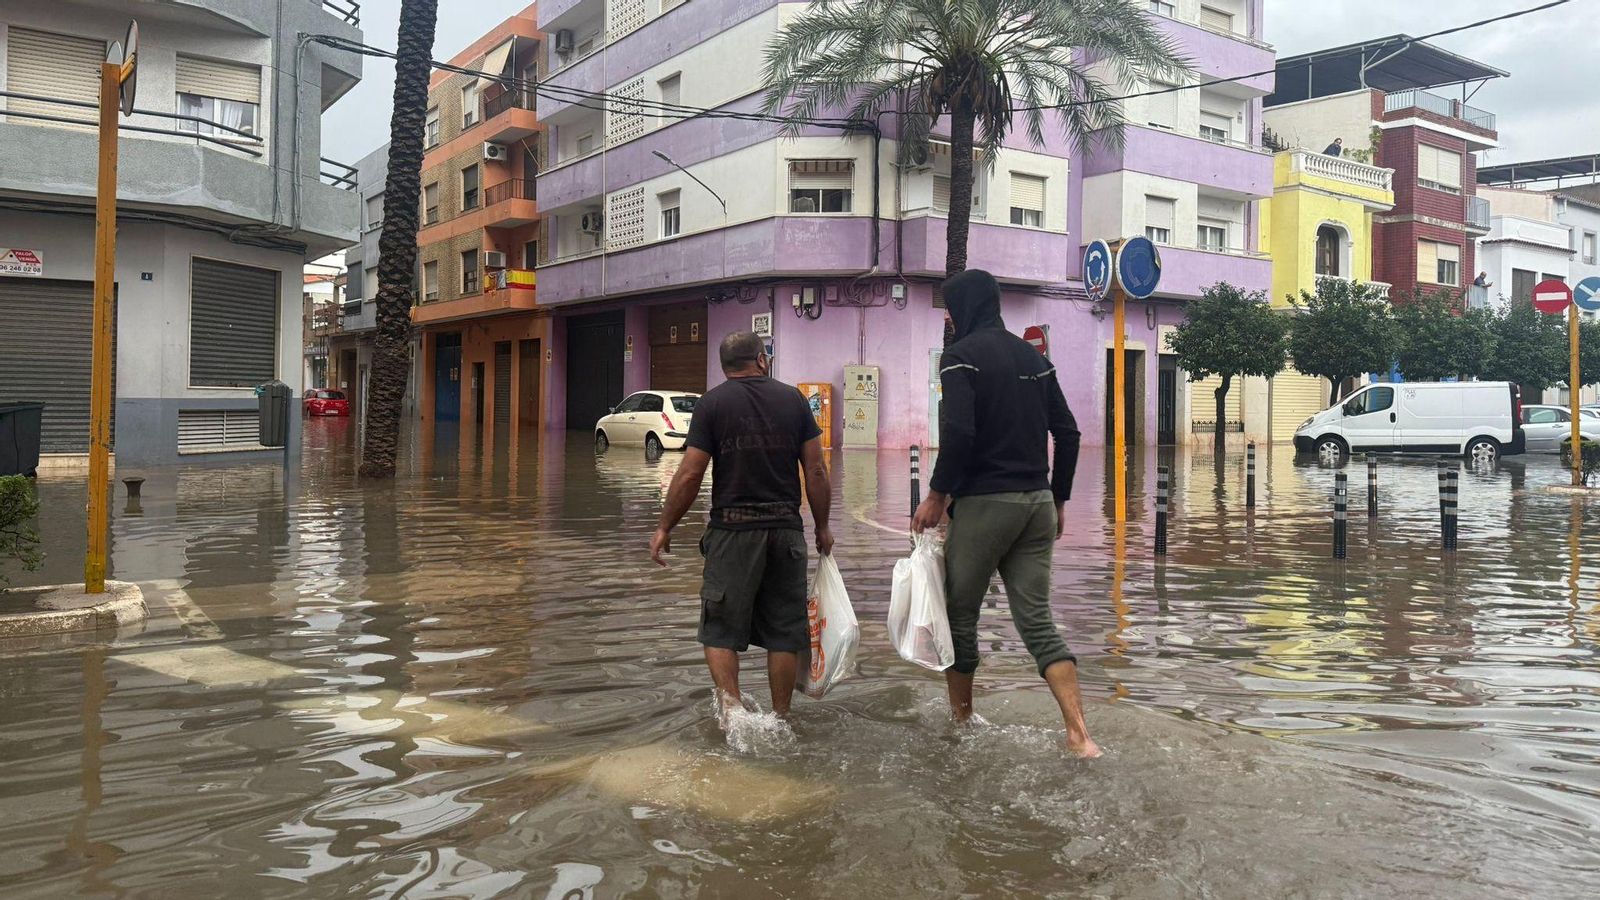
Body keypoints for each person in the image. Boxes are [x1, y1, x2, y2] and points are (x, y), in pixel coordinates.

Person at [912, 269, 1101, 758]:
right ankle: (1080, 735)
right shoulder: (1034, 357)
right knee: (1038, 621)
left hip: (985, 506)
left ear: (962, 311)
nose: (949, 320)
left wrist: (936, 495)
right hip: (1037, 506)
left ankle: (962, 722)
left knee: (960, 618)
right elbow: (1070, 434)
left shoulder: (959, 358)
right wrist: (1057, 499)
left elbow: (960, 434)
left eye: (950, 310)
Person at [652, 332, 833, 719]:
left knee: (718, 628)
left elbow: (689, 474)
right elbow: (816, 470)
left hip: (732, 534)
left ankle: (733, 712)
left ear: (724, 367)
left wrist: (665, 526)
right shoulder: (794, 400)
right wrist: (822, 527)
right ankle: (780, 718)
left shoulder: (712, 404)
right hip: (785, 532)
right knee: (785, 631)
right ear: (762, 360)